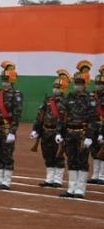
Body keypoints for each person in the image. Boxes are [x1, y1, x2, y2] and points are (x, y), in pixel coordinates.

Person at [56, 70, 99, 198]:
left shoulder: (90, 99)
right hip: (69, 133)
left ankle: (80, 188)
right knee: (71, 160)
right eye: (76, 83)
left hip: (82, 133)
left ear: (85, 84)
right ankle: (71, 188)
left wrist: (90, 136)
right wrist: (59, 132)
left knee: (82, 161)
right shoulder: (69, 97)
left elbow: (93, 119)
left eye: (80, 83)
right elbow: (62, 117)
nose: (78, 86)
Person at [31, 77, 67, 188]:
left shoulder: (65, 102)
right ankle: (49, 178)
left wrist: (61, 133)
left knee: (58, 155)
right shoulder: (48, 101)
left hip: (57, 132)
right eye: (55, 87)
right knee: (47, 155)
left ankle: (58, 179)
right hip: (46, 131)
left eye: (58, 87)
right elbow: (40, 116)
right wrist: (36, 129)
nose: (55, 89)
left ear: (63, 89)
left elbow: (65, 119)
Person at [89, 66, 104, 184]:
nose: (99, 85)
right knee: (94, 151)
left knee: (103, 151)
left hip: (102, 126)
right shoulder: (91, 96)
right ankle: (95, 175)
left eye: (101, 83)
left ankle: (102, 175)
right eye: (98, 83)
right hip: (93, 126)